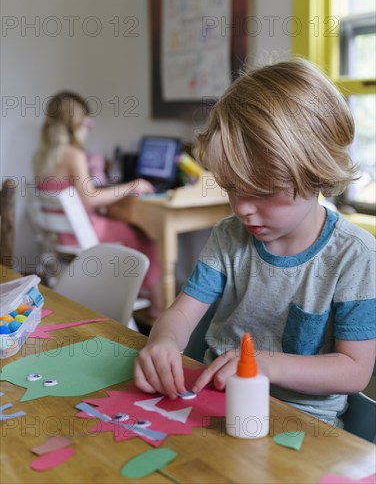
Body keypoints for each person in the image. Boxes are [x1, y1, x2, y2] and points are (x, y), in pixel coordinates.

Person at [134, 59, 376, 426]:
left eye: (263, 192)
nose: (243, 208)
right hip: (217, 404)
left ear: (318, 175)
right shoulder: (229, 236)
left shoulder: (353, 256)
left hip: (301, 423)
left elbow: (354, 370)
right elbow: (183, 312)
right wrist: (162, 341)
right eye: (231, 188)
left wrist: (262, 363)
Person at [33, 91, 163, 319]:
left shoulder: (43, 155)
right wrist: (133, 186)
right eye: (86, 120)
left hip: (60, 237)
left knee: (125, 229)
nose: (89, 125)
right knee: (143, 237)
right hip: (81, 234)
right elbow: (90, 197)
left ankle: (137, 294)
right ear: (76, 123)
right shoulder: (73, 154)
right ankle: (158, 308)